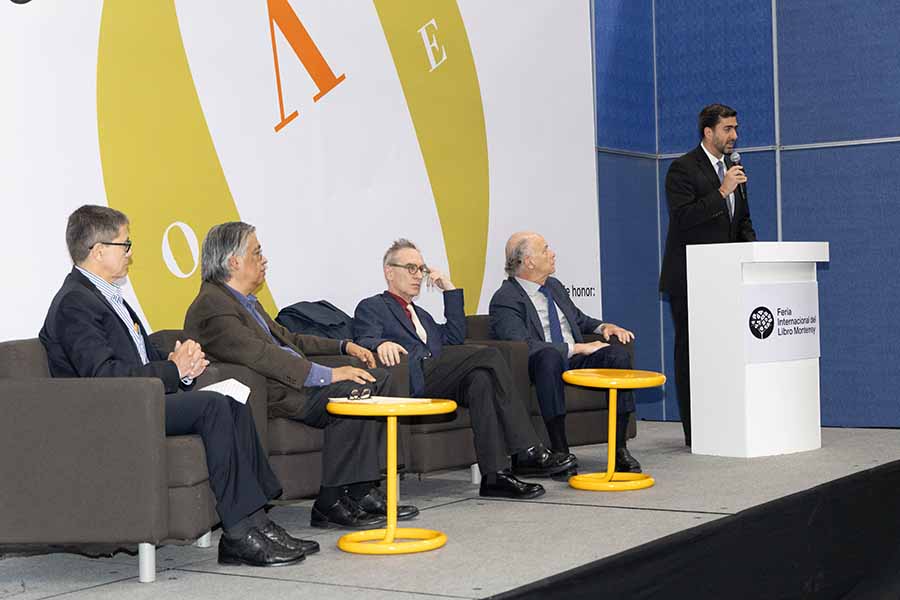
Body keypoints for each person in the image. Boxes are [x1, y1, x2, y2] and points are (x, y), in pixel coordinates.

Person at [39, 205, 308, 568]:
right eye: (125, 244)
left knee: (234, 397)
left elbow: (139, 358)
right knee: (214, 406)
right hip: (108, 411)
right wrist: (171, 369)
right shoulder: (75, 302)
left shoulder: (106, 296)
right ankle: (239, 532)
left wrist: (182, 366)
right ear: (98, 251)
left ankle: (257, 520)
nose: (131, 253)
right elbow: (104, 377)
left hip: (140, 400)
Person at [184, 222, 419, 530]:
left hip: (292, 385)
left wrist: (344, 344)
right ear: (233, 262)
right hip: (273, 392)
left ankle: (360, 490)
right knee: (355, 392)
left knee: (376, 379)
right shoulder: (213, 304)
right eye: (257, 252)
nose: (264, 259)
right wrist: (329, 375)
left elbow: (291, 340)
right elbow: (260, 354)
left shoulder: (244, 302)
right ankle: (330, 502)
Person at [353, 239, 576, 498]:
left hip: (437, 377)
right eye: (410, 268)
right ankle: (527, 448)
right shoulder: (373, 306)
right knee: (489, 355)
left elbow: (455, 337)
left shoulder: (422, 315)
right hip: (411, 378)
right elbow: (364, 339)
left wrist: (448, 288)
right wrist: (381, 343)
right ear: (389, 272)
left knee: (480, 379)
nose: (418, 276)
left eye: (421, 269)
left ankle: (495, 476)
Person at [489, 232, 642, 473]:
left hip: (575, 358)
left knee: (617, 356)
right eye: (545, 249)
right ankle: (560, 450)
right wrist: (576, 348)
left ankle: (619, 449)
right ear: (529, 261)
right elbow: (521, 344)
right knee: (549, 357)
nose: (552, 253)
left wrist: (604, 327)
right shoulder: (505, 298)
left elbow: (578, 319)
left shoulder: (554, 287)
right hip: (542, 366)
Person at [660, 103, 757, 446]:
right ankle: (695, 431)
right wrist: (721, 191)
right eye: (728, 129)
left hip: (726, 282)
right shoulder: (682, 170)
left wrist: (755, 256)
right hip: (690, 282)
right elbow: (683, 218)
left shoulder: (734, 168)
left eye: (735, 128)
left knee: (723, 353)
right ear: (708, 132)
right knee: (692, 355)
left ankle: (724, 423)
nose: (734, 135)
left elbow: (740, 222)